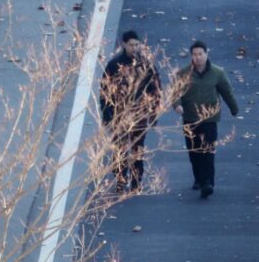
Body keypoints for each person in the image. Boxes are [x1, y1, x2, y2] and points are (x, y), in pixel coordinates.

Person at [173, 40, 239, 198]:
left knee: (208, 150)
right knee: (194, 151)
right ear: (191, 56)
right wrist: (177, 105)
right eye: (194, 54)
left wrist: (234, 108)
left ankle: (207, 182)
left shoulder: (217, 73)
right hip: (190, 118)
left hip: (209, 118)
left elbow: (226, 91)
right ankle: (199, 178)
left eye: (200, 54)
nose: (197, 57)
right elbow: (175, 93)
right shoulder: (183, 73)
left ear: (206, 54)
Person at [100, 30, 162, 193]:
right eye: (131, 45)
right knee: (120, 148)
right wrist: (106, 114)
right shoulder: (114, 65)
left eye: (137, 44)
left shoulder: (146, 64)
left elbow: (155, 88)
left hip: (139, 113)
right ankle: (120, 178)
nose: (135, 48)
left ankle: (136, 181)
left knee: (137, 149)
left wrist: (153, 113)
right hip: (119, 115)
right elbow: (105, 91)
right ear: (124, 45)